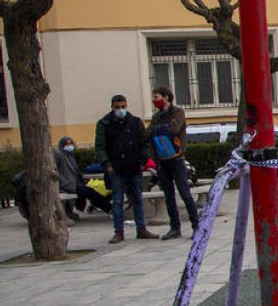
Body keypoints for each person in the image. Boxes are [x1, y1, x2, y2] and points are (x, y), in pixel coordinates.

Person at [95, 94, 157, 243]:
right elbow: (100, 147)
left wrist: (142, 161)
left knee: (137, 198)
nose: (121, 110)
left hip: (134, 166)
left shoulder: (135, 122)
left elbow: (144, 143)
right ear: (112, 107)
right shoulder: (104, 123)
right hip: (116, 168)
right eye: (117, 107)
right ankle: (118, 231)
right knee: (117, 201)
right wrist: (107, 165)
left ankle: (141, 229)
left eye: (123, 107)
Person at [148, 86, 199, 240]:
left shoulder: (178, 112)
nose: (154, 100)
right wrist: (159, 130)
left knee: (185, 193)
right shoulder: (156, 117)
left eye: (156, 97)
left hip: (176, 159)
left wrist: (158, 130)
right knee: (168, 195)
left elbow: (173, 128)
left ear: (166, 97)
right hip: (162, 161)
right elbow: (148, 133)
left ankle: (196, 226)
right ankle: (174, 227)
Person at [54, 136, 112, 221]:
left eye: (70, 143)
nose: (69, 146)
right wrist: (65, 182)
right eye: (67, 144)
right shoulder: (59, 156)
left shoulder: (70, 156)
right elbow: (56, 171)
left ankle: (109, 208)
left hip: (74, 184)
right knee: (90, 192)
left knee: (91, 191)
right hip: (66, 185)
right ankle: (109, 209)